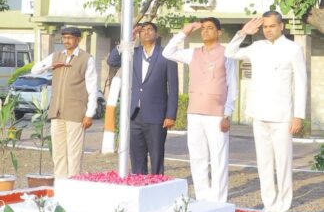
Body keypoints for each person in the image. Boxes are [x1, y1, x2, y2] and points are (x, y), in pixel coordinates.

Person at [225, 11, 307, 212]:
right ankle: (269, 208)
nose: (268, 30)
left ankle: (282, 211)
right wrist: (243, 32)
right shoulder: (256, 47)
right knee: (264, 164)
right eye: (265, 27)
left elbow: (301, 83)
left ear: (281, 26)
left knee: (283, 165)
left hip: (282, 117)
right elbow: (230, 52)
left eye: (272, 26)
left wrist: (298, 115)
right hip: (259, 114)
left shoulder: (293, 49)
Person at [162, 17, 237, 202]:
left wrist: (227, 114)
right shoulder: (193, 53)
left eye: (210, 28)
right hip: (195, 113)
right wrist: (184, 32)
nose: (205, 31)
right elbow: (168, 52)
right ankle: (203, 199)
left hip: (217, 115)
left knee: (218, 160)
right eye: (202, 28)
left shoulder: (227, 54)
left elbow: (232, 86)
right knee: (197, 158)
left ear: (219, 32)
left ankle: (219, 202)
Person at [108, 21, 178, 174]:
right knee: (137, 157)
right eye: (143, 30)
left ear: (156, 34)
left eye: (150, 29)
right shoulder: (133, 52)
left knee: (156, 156)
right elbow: (112, 61)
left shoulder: (166, 54)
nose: (146, 32)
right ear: (139, 35)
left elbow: (173, 88)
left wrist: (171, 115)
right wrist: (128, 39)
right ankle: (140, 185)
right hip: (134, 114)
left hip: (156, 116)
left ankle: (157, 186)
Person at [31, 25, 98, 178]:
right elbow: (35, 69)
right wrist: (51, 65)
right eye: (64, 38)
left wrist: (89, 114)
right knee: (58, 153)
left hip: (76, 113)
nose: (66, 41)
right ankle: (60, 186)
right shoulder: (56, 56)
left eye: (69, 38)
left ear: (78, 39)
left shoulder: (86, 59)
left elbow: (92, 89)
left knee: (74, 154)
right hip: (57, 112)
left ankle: (73, 185)